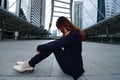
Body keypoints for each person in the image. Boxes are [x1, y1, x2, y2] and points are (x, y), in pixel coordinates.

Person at [13, 16, 85, 80]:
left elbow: (55, 44)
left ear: (63, 25)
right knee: (53, 46)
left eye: (59, 28)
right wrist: (41, 47)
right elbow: (56, 43)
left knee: (53, 47)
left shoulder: (73, 34)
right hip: (72, 64)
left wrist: (39, 47)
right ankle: (30, 63)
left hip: (72, 69)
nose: (60, 30)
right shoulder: (71, 34)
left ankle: (29, 64)